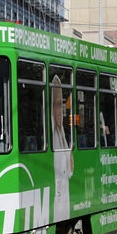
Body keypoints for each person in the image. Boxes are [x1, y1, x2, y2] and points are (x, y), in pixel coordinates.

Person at [51, 77, 73, 224]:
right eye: (57, 105)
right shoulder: (51, 136)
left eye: (61, 105)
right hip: (58, 208)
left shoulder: (62, 135)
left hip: (65, 206)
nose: (61, 111)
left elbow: (70, 171)